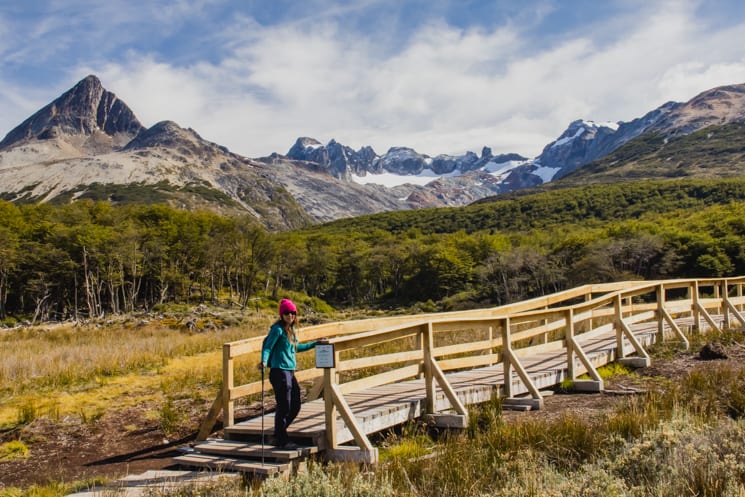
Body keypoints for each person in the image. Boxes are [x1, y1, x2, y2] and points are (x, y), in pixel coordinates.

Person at [258, 298, 317, 449]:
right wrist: (264, 361)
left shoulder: (291, 330)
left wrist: (315, 344)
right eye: (286, 313)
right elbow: (267, 347)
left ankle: (278, 434)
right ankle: (282, 440)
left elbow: (296, 348)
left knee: (295, 405)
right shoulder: (277, 329)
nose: (290, 315)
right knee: (285, 405)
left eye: (293, 313)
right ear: (281, 314)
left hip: (289, 371)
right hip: (279, 371)